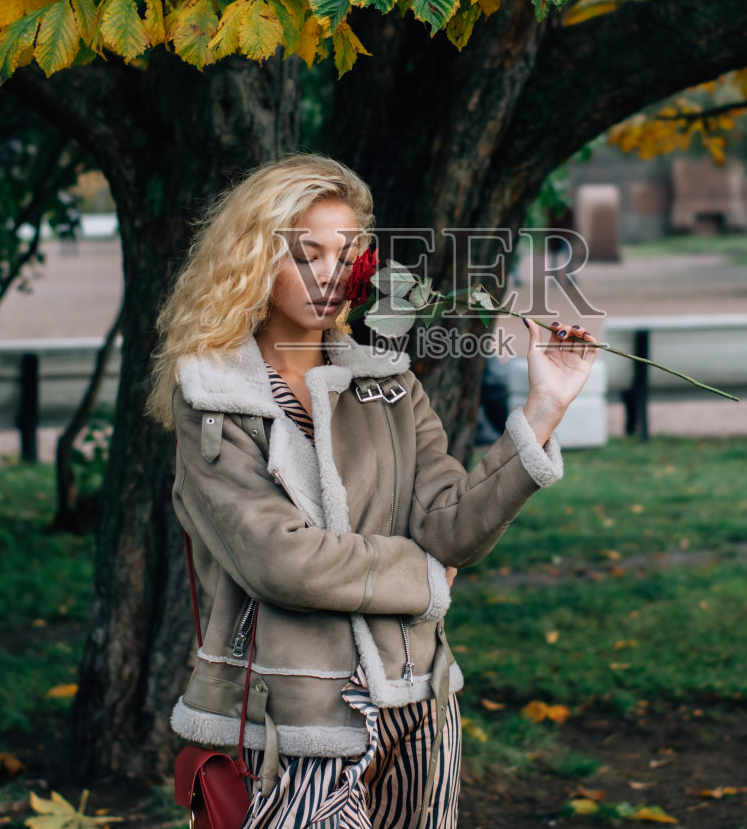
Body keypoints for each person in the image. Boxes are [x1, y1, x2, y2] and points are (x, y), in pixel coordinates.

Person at [148, 153, 596, 829]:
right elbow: (282, 562)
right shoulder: (214, 399)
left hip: (420, 707)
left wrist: (542, 410)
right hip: (293, 726)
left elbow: (449, 527)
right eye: (307, 254)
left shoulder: (388, 383)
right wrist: (422, 575)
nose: (331, 274)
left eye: (346, 252)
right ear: (252, 261)